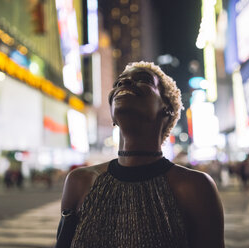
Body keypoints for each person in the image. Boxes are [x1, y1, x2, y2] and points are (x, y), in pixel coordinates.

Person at [56, 62, 224, 248]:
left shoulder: (196, 187)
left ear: (167, 109)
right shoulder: (79, 181)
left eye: (142, 79)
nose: (124, 83)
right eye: (118, 83)